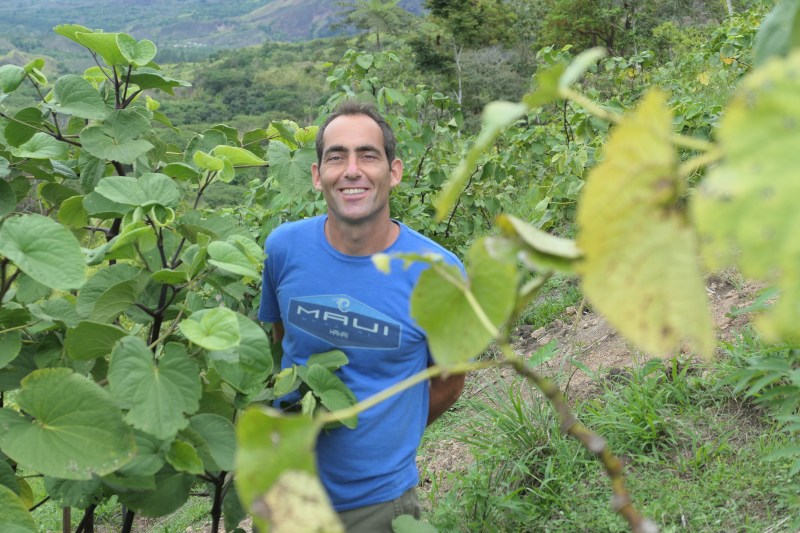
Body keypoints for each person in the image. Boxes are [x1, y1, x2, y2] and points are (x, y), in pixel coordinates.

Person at [258, 101, 466, 532]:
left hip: (379, 505)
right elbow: (283, 343)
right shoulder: (283, 249)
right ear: (318, 176)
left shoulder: (437, 272)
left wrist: (385, 433)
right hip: (285, 493)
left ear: (394, 172)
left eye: (367, 155)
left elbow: (450, 380)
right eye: (336, 156)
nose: (352, 170)